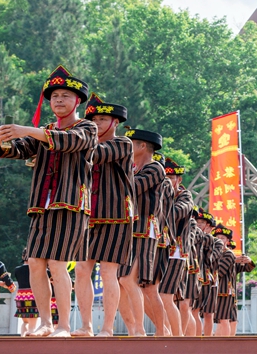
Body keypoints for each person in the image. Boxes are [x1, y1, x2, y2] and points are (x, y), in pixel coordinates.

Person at [0, 65, 96, 337]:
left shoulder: (87, 128)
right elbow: (17, 150)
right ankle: (46, 323)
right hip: (42, 205)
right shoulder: (45, 130)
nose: (59, 100)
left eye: (65, 95)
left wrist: (26, 129)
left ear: (77, 101)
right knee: (36, 264)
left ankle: (64, 324)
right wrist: (5, 140)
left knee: (57, 263)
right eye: (54, 96)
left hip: (71, 204)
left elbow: (67, 141)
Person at [72, 93, 134, 337]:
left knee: (109, 272)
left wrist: (70, 140)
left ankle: (107, 327)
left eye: (102, 119)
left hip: (116, 214)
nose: (97, 123)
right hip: (87, 213)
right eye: (93, 119)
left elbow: (96, 154)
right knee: (80, 269)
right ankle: (86, 325)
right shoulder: (84, 143)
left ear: (115, 122)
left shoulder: (122, 144)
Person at [117, 129, 167, 336]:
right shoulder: (133, 168)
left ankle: (159, 331)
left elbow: (133, 188)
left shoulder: (155, 168)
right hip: (127, 229)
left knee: (136, 283)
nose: (126, 149)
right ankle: (133, 330)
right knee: (119, 282)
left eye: (130, 144)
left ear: (142, 146)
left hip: (144, 229)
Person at [157, 157, 194, 336]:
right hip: (158, 248)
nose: (165, 182)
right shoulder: (157, 194)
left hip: (176, 252)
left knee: (166, 296)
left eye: (169, 178)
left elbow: (177, 213)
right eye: (162, 177)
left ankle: (177, 337)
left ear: (178, 180)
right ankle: (164, 331)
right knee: (149, 292)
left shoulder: (185, 196)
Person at [13, 249, 39, 336]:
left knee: (25, 322)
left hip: (21, 297)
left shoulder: (17, 270)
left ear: (22, 257)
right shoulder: (37, 269)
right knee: (32, 324)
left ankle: (22, 338)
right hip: (33, 296)